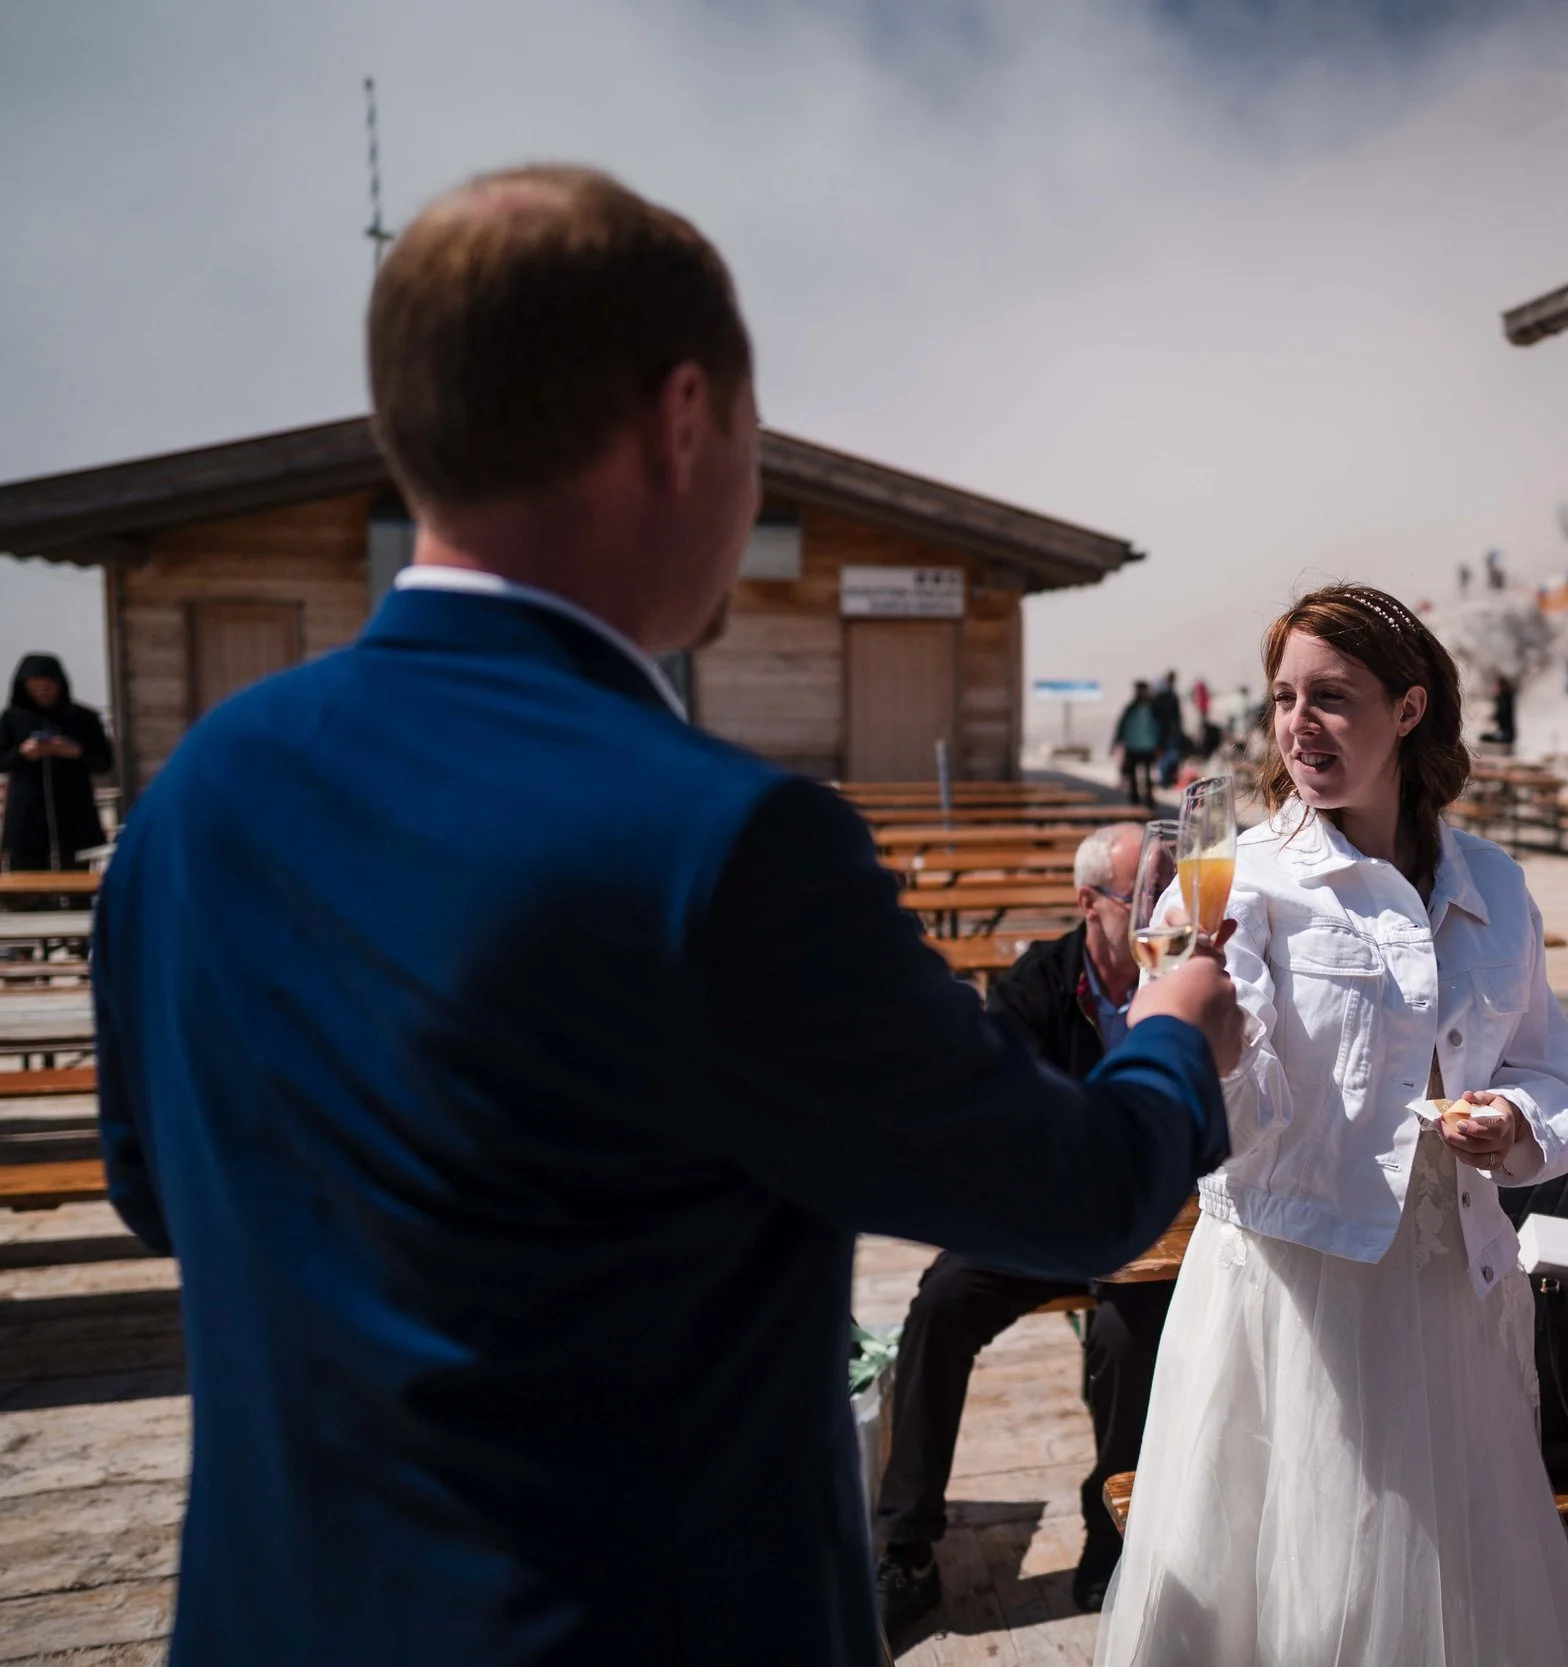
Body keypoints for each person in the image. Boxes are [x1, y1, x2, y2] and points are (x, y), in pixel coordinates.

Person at [91, 165, 1242, 1667]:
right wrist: (1169, 1033)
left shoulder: (196, 798)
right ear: (686, 418)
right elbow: (1074, 1193)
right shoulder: (727, 845)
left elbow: (156, 1191)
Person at [1096, 584, 1568, 1667]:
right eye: (1283, 696)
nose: (1298, 723)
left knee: (1442, 1591)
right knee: (1292, 1591)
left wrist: (1510, 1117)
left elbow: (1557, 1072)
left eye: (1331, 695)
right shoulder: (1243, 879)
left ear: (1409, 707)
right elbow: (1235, 1122)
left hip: (1442, 1285)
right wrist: (1206, 1024)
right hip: (1289, 1293)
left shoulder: (1495, 885)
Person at [877, 823, 1178, 1627]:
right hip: (1050, 1215)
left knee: (1124, 1339)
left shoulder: (1181, 980)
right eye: (1141, 896)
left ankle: (1108, 1532)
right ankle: (904, 1543)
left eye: (1167, 891)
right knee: (942, 1300)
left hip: (1152, 1223)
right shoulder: (1036, 985)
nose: (1161, 911)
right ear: (1089, 904)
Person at [2, 653, 114, 876]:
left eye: (49, 686)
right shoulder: (11, 719)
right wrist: (22, 753)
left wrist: (75, 751)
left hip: (74, 815)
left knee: (77, 885)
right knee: (28, 891)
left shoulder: (84, 718)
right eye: (36, 687)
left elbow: (104, 763)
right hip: (27, 818)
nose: (44, 692)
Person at [1115, 680, 1160, 805]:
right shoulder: (1133, 707)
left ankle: (1147, 798)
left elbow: (1159, 726)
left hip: (1146, 746)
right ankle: (1136, 799)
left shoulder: (1150, 707)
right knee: (1135, 775)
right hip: (1136, 746)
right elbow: (1122, 725)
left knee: (1147, 775)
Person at [1151, 673, 1186, 788]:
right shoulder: (1171, 696)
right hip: (1170, 731)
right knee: (1170, 755)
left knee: (1166, 755)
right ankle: (1168, 779)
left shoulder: (1159, 696)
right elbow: (1176, 716)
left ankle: (1166, 779)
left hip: (1164, 731)